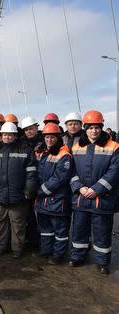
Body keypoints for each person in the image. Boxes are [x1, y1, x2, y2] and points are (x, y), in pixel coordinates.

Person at [69, 110, 119, 274]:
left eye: (97, 127)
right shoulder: (76, 147)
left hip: (102, 199)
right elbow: (71, 171)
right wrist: (80, 187)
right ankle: (77, 257)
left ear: (102, 127)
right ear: (85, 128)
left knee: (102, 231)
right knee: (79, 229)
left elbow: (114, 172)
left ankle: (102, 262)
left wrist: (96, 189)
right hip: (81, 198)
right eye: (90, 127)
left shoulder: (113, 146)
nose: (94, 131)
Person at [0, 122, 37, 259]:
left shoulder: (25, 150)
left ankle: (17, 249)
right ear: (1, 135)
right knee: (0, 223)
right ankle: (0, 247)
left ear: (15, 136)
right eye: (5, 134)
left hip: (18, 195)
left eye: (10, 135)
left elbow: (31, 173)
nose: (7, 137)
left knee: (17, 224)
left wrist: (28, 190)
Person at [35, 123, 72, 265]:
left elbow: (60, 178)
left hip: (57, 199)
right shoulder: (43, 152)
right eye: (47, 137)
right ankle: (46, 250)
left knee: (60, 230)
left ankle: (58, 255)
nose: (49, 140)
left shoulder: (64, 155)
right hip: (43, 201)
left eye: (52, 137)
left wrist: (39, 191)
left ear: (58, 137)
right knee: (45, 229)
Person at [20, 116, 42, 252]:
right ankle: (32, 240)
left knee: (41, 215)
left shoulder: (44, 141)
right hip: (26, 183)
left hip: (41, 182)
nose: (29, 131)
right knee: (28, 214)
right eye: (26, 130)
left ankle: (41, 241)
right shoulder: (21, 143)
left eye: (31, 129)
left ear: (36, 128)